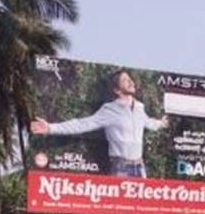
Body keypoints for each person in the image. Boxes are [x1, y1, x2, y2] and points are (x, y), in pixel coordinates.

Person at [30, 69, 167, 178]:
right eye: (125, 80)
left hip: (139, 166)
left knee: (142, 209)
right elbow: (82, 124)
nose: (131, 82)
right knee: (118, 209)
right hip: (120, 167)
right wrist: (50, 128)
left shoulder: (139, 108)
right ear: (117, 90)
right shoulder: (109, 110)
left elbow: (149, 122)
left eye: (130, 79)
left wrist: (161, 123)